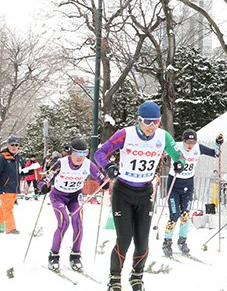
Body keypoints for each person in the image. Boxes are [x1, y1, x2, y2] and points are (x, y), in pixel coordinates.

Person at [94, 101, 186, 291]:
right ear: (139, 120)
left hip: (145, 193)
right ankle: (114, 279)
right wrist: (109, 167)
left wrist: (180, 162)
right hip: (123, 192)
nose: (152, 126)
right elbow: (99, 153)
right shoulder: (125, 134)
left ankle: (137, 277)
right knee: (124, 239)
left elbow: (179, 155)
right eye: (148, 122)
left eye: (156, 121)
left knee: (143, 241)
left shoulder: (163, 136)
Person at [38, 138, 108, 272]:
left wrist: (105, 183)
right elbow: (43, 180)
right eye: (77, 153)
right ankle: (54, 255)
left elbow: (101, 179)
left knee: (78, 224)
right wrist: (43, 187)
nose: (81, 157)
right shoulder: (61, 163)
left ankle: (75, 255)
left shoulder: (88, 164)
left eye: (84, 154)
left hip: (75, 197)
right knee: (64, 222)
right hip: (58, 196)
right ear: (70, 153)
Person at [162, 129, 224, 257]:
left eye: (193, 142)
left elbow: (215, 154)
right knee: (174, 215)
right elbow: (162, 152)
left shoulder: (198, 148)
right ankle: (167, 242)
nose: (190, 145)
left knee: (185, 214)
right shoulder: (177, 147)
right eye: (187, 142)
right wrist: (163, 157)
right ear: (183, 141)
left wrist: (218, 144)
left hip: (188, 184)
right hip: (174, 184)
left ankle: (182, 241)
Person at [0, 136, 21, 234]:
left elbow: (18, 172)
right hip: (5, 187)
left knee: (5, 208)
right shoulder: (3, 157)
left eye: (16, 145)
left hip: (14, 188)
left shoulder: (17, 158)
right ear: (8, 145)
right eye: (12, 145)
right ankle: (11, 228)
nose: (14, 147)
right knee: (8, 208)